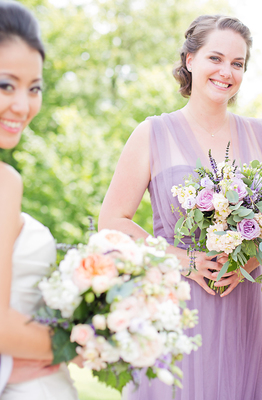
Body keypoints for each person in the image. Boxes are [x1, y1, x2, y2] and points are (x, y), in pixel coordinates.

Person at [99, 14, 262, 400]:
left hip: (239, 299)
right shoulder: (152, 132)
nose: (226, 72)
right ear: (189, 59)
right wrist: (184, 259)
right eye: (215, 58)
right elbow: (111, 222)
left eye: (238, 63)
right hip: (173, 297)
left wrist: (247, 264)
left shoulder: (259, 133)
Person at [0, 1, 78, 398]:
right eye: (5, 84)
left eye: (34, 88)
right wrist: (89, 341)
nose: (22, 105)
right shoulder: (4, 182)